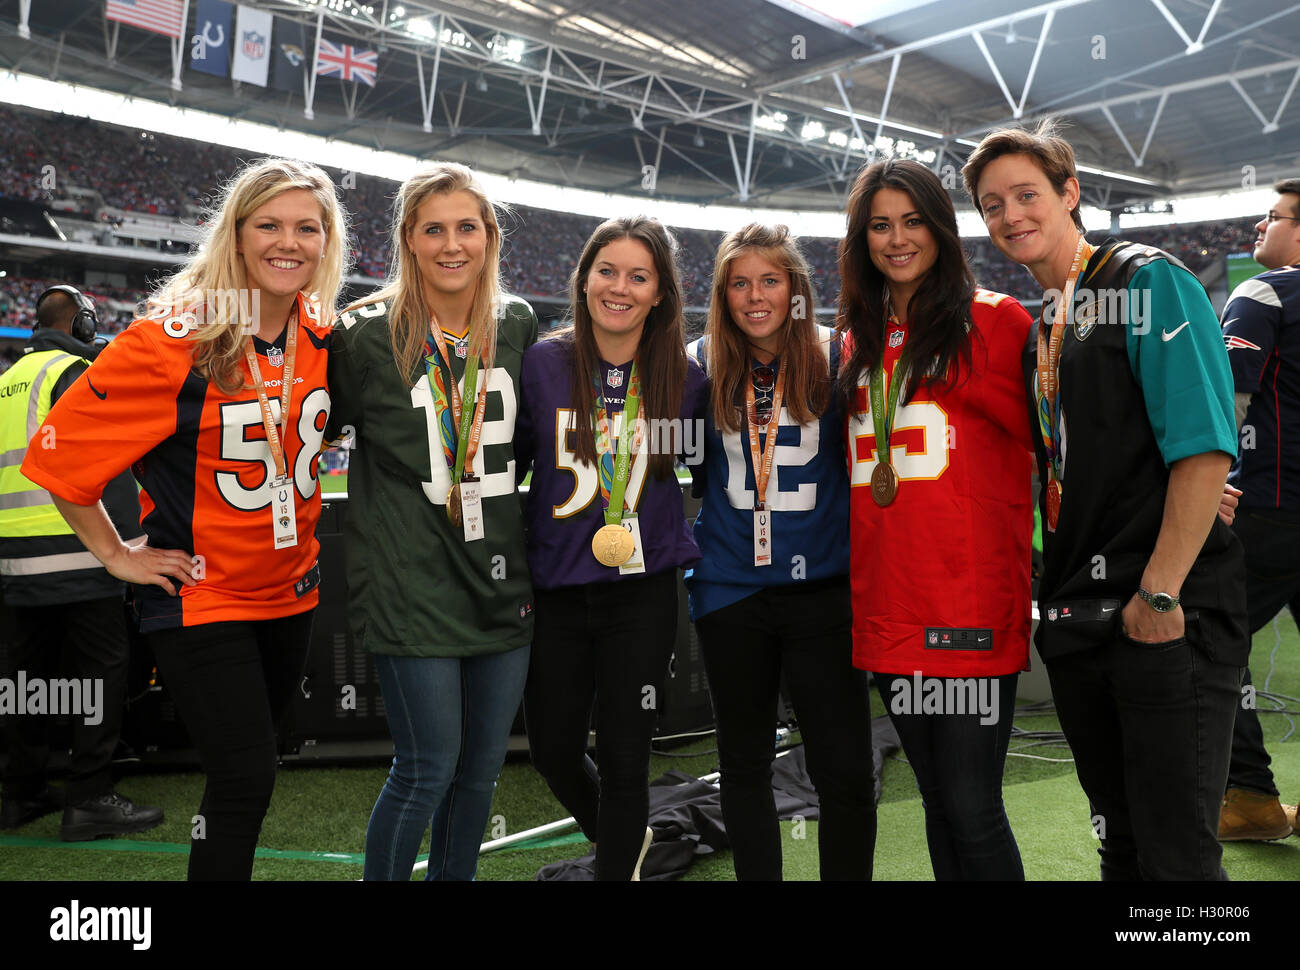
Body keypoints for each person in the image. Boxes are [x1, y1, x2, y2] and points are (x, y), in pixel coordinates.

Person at [21, 158, 347, 879]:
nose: (287, 242)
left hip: (293, 591)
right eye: (267, 225)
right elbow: (60, 459)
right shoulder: (173, 337)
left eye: (306, 227)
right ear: (234, 235)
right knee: (244, 779)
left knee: (253, 773)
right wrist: (116, 556)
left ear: (328, 241)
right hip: (204, 597)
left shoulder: (324, 330)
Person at [964, 121, 1247, 880]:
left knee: (1176, 858)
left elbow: (1203, 447)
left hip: (1160, 615)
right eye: (993, 205)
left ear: (1070, 194)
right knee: (1120, 845)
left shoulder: (1145, 280)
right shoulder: (1043, 328)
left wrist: (1158, 591)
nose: (1011, 215)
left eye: (1027, 195)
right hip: (1081, 621)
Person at [328, 163, 537, 881]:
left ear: (490, 236)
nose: (453, 245)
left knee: (479, 775)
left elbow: (527, 446)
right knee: (426, 769)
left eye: (467, 228)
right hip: (410, 580)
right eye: (434, 229)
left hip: (499, 577)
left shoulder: (517, 322)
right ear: (408, 240)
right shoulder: (359, 336)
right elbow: (315, 433)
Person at [839, 159, 1034, 880]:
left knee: (972, 803)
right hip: (888, 600)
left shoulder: (996, 320)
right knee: (935, 800)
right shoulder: (854, 338)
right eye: (880, 225)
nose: (897, 239)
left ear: (941, 228)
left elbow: (1066, 440)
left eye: (913, 220)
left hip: (969, 602)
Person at [515, 215, 706, 880]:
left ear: (660, 293)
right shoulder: (540, 364)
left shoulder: (686, 378)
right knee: (554, 748)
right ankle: (629, 846)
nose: (619, 287)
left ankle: (618, 866)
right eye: (607, 270)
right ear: (585, 277)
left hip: (643, 595)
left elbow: (712, 478)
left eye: (638, 275)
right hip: (558, 589)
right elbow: (507, 469)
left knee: (628, 755)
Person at [685, 223, 875, 880]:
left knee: (844, 766)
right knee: (742, 763)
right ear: (722, 293)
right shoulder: (699, 361)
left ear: (795, 287)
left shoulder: (839, 354)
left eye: (770, 280)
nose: (755, 295)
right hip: (730, 587)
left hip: (823, 590)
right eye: (739, 283)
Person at [0, 285, 162, 840]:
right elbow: (104, 470)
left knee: (23, 679)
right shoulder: (73, 374)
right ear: (85, 327)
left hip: (13, 566)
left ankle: (20, 793)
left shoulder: (5, 385)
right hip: (78, 555)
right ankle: (90, 795)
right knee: (100, 674)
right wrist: (127, 547)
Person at [1216, 178, 1300, 841]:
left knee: (1210, 639)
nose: (1258, 227)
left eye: (1272, 218)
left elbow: (1227, 398)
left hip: (1268, 503)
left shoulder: (1261, 290)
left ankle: (1249, 799)